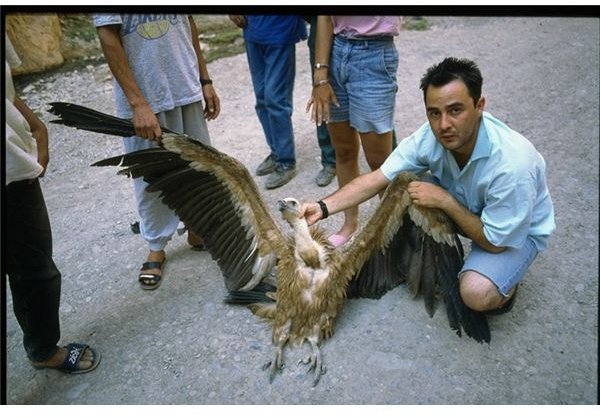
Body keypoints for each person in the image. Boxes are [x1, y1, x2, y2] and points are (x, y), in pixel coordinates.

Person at [301, 57, 555, 314]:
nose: (444, 125)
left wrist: (445, 201)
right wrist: (322, 208)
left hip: (512, 234)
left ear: (480, 106)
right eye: (435, 113)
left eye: (456, 110)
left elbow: (495, 241)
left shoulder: (512, 164)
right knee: (404, 186)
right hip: (474, 209)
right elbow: (377, 179)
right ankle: (420, 259)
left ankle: (506, 284)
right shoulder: (429, 136)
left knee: (476, 293)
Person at [93, 13, 221, 290]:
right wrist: (138, 103)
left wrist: (204, 80)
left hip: (185, 86)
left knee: (198, 168)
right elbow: (108, 36)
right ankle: (156, 245)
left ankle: (197, 229)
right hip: (146, 96)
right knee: (151, 176)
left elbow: (188, 22)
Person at [5, 36, 101, 374]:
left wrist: (36, 127)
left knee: (35, 270)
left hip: (13, 172)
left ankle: (43, 349)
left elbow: (7, 90)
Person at [308, 15, 403, 247]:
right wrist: (320, 76)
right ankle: (350, 224)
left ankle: (395, 233)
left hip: (375, 53)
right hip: (334, 51)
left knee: (380, 161)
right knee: (344, 151)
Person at [229, 14, 307, 189]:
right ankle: (276, 152)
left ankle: (286, 161)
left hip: (280, 28)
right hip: (252, 28)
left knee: (275, 99)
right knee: (262, 98)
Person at [305, 16, 337, 187]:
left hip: (362, 34)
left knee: (373, 102)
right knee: (322, 96)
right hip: (320, 24)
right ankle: (330, 159)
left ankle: (391, 155)